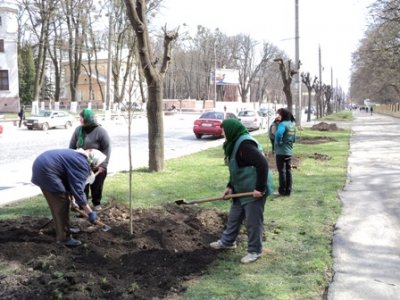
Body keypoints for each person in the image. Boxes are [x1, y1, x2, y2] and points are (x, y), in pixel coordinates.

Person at [210, 119, 273, 264]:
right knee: (234, 216)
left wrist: (260, 188)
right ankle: (228, 242)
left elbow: (262, 164)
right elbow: (235, 168)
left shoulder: (245, 145)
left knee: (253, 221)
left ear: (231, 130)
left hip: (254, 189)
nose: (222, 133)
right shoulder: (233, 144)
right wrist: (230, 186)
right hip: (241, 187)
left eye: (223, 130)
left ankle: (255, 251)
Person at [31, 148, 106, 247]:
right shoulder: (82, 164)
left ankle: (65, 228)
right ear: (93, 162)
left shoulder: (78, 157)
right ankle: (63, 238)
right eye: (96, 165)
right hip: (47, 171)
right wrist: (89, 212)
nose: (96, 167)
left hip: (43, 166)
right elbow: (78, 190)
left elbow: (70, 184)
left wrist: (72, 200)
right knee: (61, 204)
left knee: (60, 202)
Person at [69, 108, 111, 211]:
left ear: (87, 119)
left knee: (96, 185)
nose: (80, 120)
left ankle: (96, 203)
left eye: (81, 118)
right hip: (81, 165)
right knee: (83, 187)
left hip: (97, 165)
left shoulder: (100, 131)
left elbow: (107, 148)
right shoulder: (78, 130)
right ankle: (83, 207)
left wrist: (103, 165)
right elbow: (71, 147)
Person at [274, 108, 296, 196]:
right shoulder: (292, 125)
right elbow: (294, 138)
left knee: (282, 171)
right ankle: (288, 190)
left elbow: (279, 134)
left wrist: (278, 142)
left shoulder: (282, 124)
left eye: (280, 114)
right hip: (289, 151)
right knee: (288, 171)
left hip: (281, 152)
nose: (278, 116)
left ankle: (282, 190)